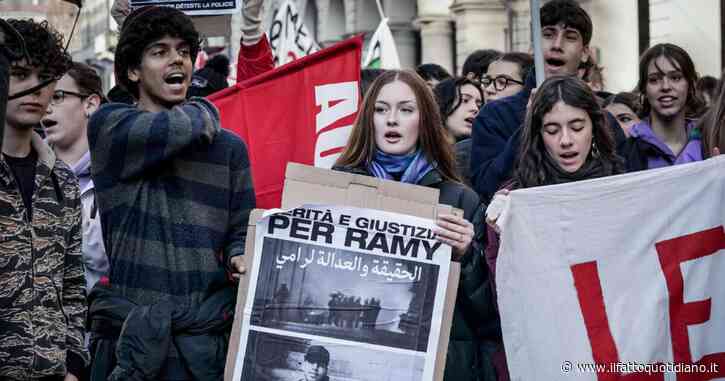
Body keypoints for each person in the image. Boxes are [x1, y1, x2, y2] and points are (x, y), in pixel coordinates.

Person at [85, 6, 256, 380]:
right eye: (159, 52)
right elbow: (177, 127)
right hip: (131, 343)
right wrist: (207, 111)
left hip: (203, 349)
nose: (176, 59)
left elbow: (242, 227)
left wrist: (240, 254)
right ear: (133, 71)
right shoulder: (110, 127)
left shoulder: (229, 149)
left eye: (183, 51)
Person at [334, 70, 501, 381]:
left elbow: (489, 315)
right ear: (368, 119)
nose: (392, 119)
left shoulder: (461, 200)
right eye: (381, 109)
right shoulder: (336, 190)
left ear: (424, 120)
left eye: (406, 110)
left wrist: (468, 256)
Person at [484, 76, 623, 379]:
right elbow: (503, 297)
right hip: (546, 356)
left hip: (615, 349)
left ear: (595, 129)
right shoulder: (513, 203)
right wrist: (501, 238)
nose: (566, 141)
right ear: (537, 135)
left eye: (576, 127)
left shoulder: (623, 189)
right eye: (552, 129)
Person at [0, 19, 88, 380]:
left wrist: (74, 364)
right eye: (20, 74)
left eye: (45, 77)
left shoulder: (62, 180)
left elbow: (72, 281)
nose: (35, 90)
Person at [469, 0, 626, 203]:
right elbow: (487, 187)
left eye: (570, 37)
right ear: (533, 46)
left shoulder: (604, 120)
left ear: (586, 53)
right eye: (548, 34)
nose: (557, 45)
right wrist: (528, 126)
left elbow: (627, 187)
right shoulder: (495, 116)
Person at [43, 62, 110, 292]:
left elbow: (108, 256)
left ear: (90, 104)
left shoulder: (116, 171)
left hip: (97, 319)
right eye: (42, 96)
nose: (46, 107)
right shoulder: (27, 169)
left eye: (57, 96)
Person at [622, 43, 706, 171]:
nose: (666, 86)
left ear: (691, 84)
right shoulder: (625, 153)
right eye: (654, 80)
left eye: (675, 78)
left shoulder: (708, 143)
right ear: (644, 88)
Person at [433, 76, 484, 185]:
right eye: (465, 100)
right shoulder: (419, 155)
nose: (475, 109)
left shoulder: (477, 158)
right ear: (442, 103)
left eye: (479, 105)